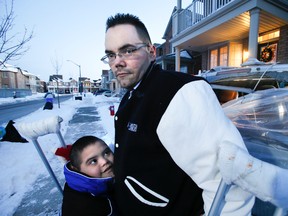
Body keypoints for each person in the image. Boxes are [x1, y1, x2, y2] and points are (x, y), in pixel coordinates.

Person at [101, 13, 254, 215]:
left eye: (128, 51)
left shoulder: (179, 92)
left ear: (152, 52)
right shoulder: (132, 94)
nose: (117, 62)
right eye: (111, 55)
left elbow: (228, 183)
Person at [61, 136, 116, 216]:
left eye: (106, 153)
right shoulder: (85, 209)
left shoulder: (79, 182)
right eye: (93, 161)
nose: (104, 161)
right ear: (77, 170)